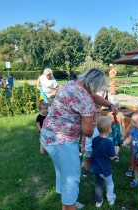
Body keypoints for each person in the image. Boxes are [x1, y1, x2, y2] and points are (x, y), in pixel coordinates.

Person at [40, 68, 117, 210]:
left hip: (48, 135)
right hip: (62, 141)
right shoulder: (86, 100)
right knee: (71, 178)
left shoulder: (72, 84)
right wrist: (96, 130)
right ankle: (69, 206)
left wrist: (110, 105)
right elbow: (87, 131)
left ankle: (67, 204)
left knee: (63, 172)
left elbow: (93, 96)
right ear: (95, 85)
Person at [90, 116, 116, 208]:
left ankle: (99, 201)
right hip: (105, 169)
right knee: (109, 183)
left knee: (98, 184)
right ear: (109, 130)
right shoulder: (109, 143)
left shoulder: (94, 140)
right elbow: (112, 157)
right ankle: (110, 198)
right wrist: (116, 150)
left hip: (96, 168)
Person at [122, 112, 138, 187]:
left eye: (135, 122)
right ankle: (137, 180)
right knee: (136, 168)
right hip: (135, 154)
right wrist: (124, 142)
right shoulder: (134, 130)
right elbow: (130, 138)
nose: (133, 124)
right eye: (132, 121)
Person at [81, 106, 101, 177]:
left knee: (95, 160)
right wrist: (82, 147)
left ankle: (95, 170)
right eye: (91, 121)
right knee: (87, 159)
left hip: (96, 149)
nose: (93, 123)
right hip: (88, 148)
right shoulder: (87, 129)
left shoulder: (98, 130)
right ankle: (86, 170)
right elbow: (83, 138)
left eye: (95, 121)